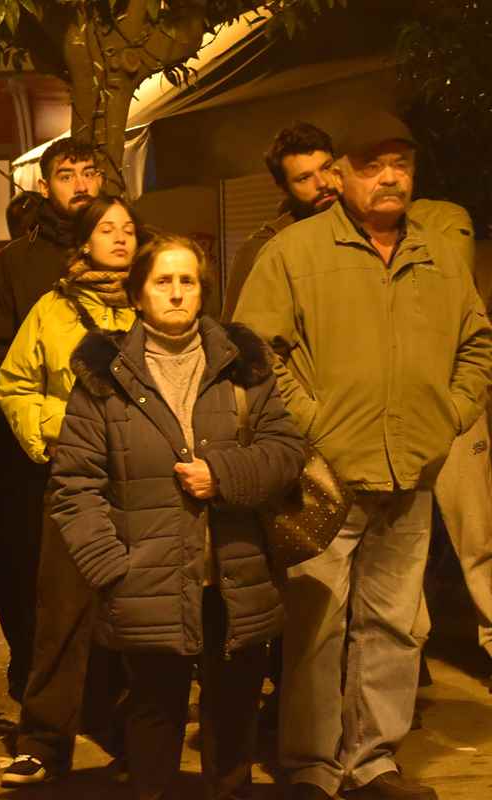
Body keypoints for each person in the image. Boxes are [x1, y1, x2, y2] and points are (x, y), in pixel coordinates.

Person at [234, 112, 492, 800]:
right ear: (340, 176)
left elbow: (478, 344)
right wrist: (310, 424)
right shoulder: (295, 251)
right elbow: (256, 352)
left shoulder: (437, 254)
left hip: (411, 471)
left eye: (400, 165)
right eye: (373, 166)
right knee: (317, 626)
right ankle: (313, 767)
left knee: (396, 625)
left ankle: (373, 760)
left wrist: (449, 415)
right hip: (322, 478)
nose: (389, 178)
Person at [48, 233, 304, 799]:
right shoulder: (105, 378)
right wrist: (111, 567)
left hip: (236, 574)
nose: (177, 292)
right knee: (152, 714)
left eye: (187, 281)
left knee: (233, 712)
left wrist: (224, 476)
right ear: (137, 294)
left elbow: (287, 451)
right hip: (147, 576)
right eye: (163, 281)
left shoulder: (242, 364)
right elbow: (74, 486)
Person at [0, 196, 141, 786]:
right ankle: (44, 742)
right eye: (107, 229)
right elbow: (15, 385)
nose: (121, 239)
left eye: (129, 229)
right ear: (83, 241)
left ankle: (136, 739)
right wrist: (56, 435)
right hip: (76, 481)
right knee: (61, 613)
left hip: (145, 484)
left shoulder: (155, 302)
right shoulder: (51, 310)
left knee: (141, 616)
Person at [0, 137, 104, 699]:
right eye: (67, 174)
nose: (82, 184)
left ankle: (103, 686)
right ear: (45, 187)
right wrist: (41, 419)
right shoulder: (19, 264)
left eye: (89, 172)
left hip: (117, 449)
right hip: (35, 455)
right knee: (29, 571)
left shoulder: (127, 250)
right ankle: (35, 674)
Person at [221, 123, 342, 322]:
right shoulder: (263, 248)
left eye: (327, 167)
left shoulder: (368, 228)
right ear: (284, 187)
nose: (322, 184)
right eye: (304, 178)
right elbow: (233, 339)